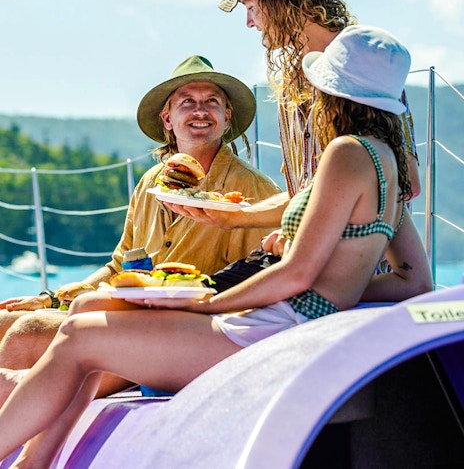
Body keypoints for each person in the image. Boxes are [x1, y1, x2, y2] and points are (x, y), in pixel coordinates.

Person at [0, 25, 433, 467]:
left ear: (333, 93)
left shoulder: (345, 152)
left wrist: (213, 305)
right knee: (86, 311)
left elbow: (297, 273)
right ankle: (29, 463)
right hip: (293, 317)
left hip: (273, 326)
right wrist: (340, 291)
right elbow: (415, 282)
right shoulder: (389, 168)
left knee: (77, 336)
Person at [0, 55, 280, 381]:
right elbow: (119, 266)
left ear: (226, 117)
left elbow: (259, 282)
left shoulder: (252, 191)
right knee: (5, 322)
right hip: (132, 314)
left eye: (212, 102)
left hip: (187, 329)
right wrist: (51, 298)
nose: (200, 111)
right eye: (187, 102)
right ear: (167, 119)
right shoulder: (150, 183)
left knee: (26, 333)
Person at [169, 0, 421, 261]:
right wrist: (235, 218)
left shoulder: (363, 65)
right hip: (304, 260)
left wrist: (303, 233)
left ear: (281, 4)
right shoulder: (291, 81)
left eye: (251, 6)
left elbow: (406, 184)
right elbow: (307, 196)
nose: (249, 23)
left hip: (357, 272)